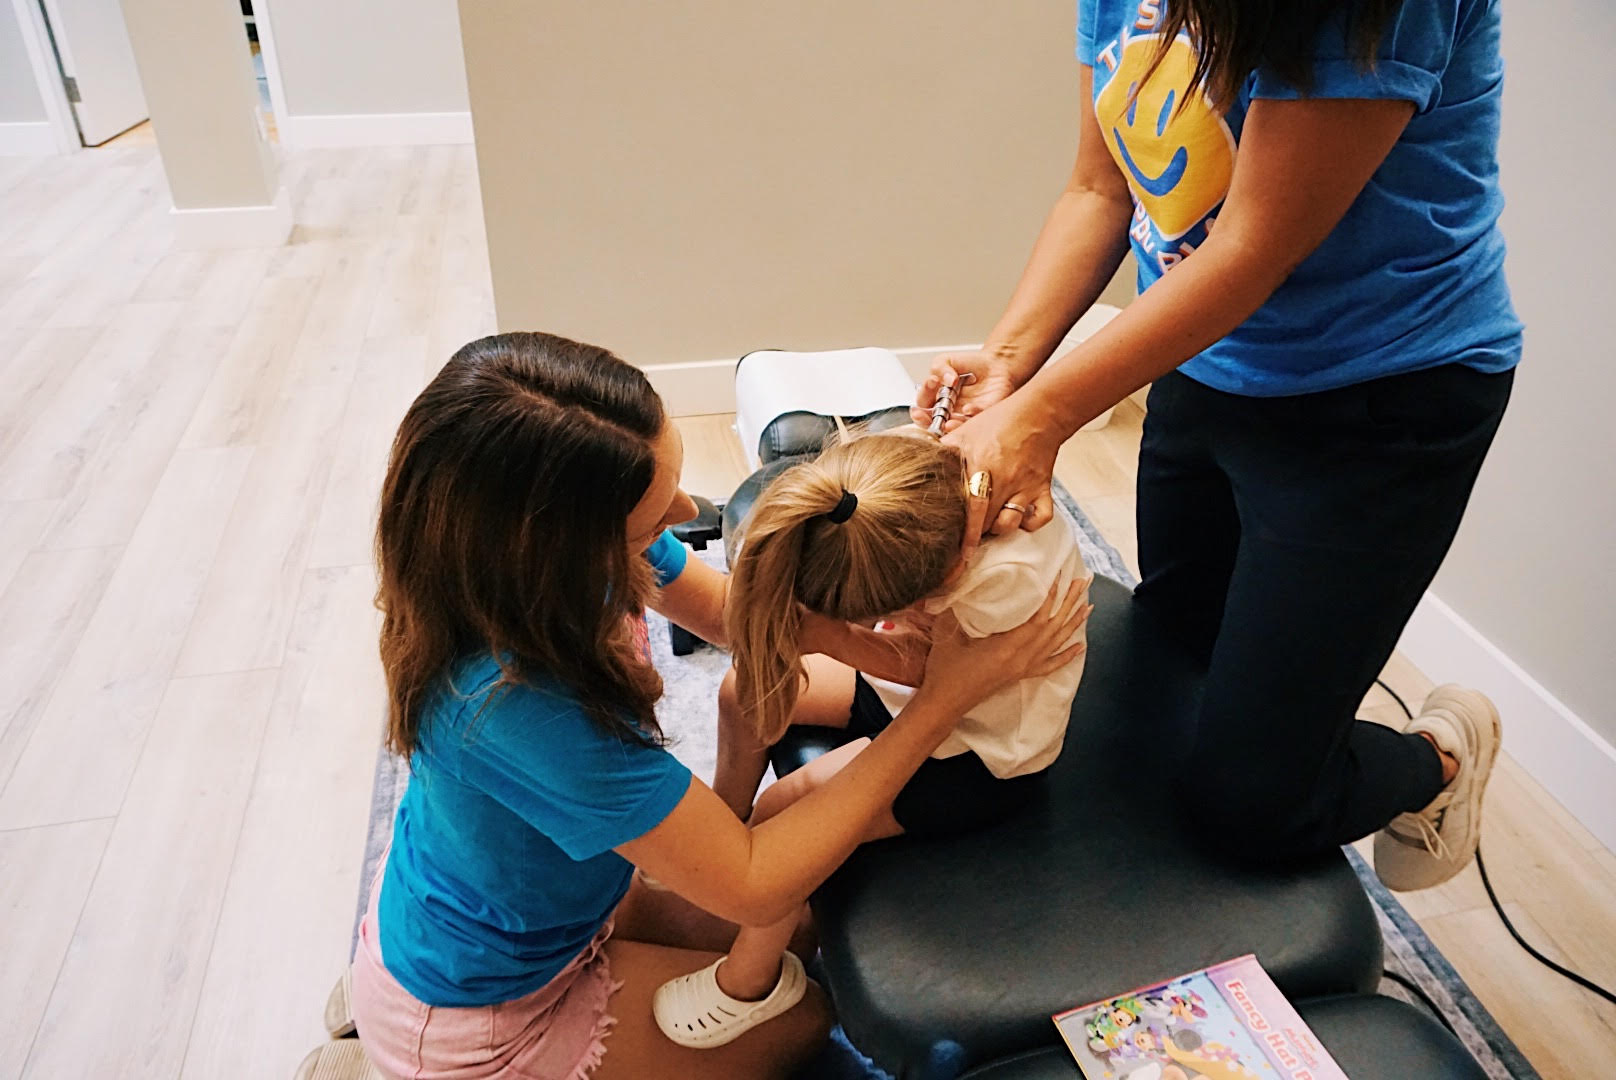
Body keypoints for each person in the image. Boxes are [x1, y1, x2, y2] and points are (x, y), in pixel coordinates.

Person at [348, 332, 1089, 1080]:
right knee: (807, 1019)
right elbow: (756, 876)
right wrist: (944, 699)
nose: (681, 510)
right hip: (484, 1017)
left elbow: (733, 616)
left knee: (799, 934)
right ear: (562, 553)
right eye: (645, 523)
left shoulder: (535, 575)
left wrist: (875, 649)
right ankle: (389, 1058)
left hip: (560, 911)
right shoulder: (519, 713)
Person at [914, 0, 1518, 889]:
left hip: (1383, 401)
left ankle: (1439, 759)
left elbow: (1251, 246)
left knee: (1255, 804)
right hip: (1204, 362)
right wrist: (1006, 365)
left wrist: (1040, 418)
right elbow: (1100, 188)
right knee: (1173, 653)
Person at [654, 429, 1091, 1048]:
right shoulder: (918, 485)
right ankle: (726, 821)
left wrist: (830, 637)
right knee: (743, 690)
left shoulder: (1004, 583)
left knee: (788, 813)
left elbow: (933, 675)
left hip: (973, 755)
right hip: (914, 695)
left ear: (927, 589)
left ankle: (750, 982)